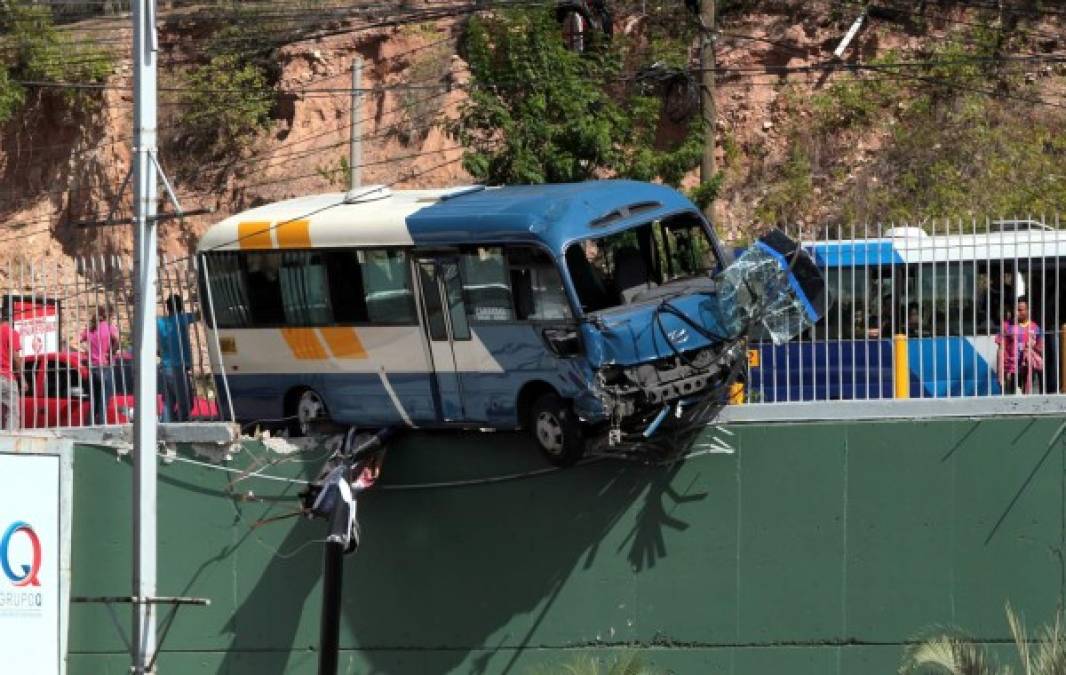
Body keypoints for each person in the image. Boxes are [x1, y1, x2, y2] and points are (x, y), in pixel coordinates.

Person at [158, 294, 197, 422]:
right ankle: (178, 426)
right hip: (177, 367)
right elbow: (200, 315)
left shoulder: (159, 322)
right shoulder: (182, 318)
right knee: (186, 403)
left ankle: (165, 430)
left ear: (167, 307)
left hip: (164, 367)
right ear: (180, 307)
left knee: (168, 404)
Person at [80, 305, 120, 425]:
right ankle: (102, 426)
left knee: (94, 400)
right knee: (104, 401)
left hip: (93, 368)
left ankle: (89, 426)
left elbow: (77, 340)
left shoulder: (90, 329)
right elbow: (117, 340)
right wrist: (111, 351)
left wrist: (87, 351)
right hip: (105, 367)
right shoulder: (109, 327)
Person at [996, 296, 1043, 395]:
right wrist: (1000, 373)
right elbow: (1000, 349)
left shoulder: (1035, 328)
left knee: (1029, 401)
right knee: (1010, 401)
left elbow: (1040, 349)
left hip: (1029, 371)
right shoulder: (1006, 326)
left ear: (1028, 310)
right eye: (1016, 310)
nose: (1017, 313)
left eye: (1021, 310)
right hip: (1011, 371)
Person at [0, 311, 22, 431]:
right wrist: (22, 379)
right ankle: (11, 439)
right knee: (12, 412)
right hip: (6, 376)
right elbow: (16, 358)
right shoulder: (11, 333)